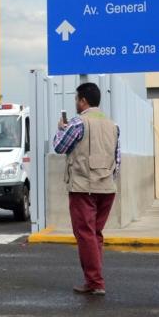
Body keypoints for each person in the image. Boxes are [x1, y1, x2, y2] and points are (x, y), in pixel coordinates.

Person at [52, 82, 120, 296]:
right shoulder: (113, 125)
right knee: (95, 234)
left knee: (85, 234)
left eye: (76, 99)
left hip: (84, 187)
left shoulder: (78, 123)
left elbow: (59, 147)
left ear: (83, 101)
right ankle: (95, 278)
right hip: (107, 187)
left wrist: (59, 129)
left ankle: (95, 282)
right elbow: (117, 159)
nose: (75, 103)